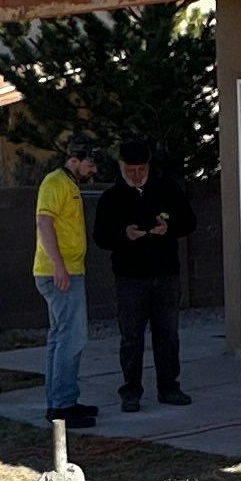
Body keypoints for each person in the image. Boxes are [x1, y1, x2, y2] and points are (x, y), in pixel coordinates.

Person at [91, 134, 191, 410]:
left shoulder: (167, 189)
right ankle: (131, 391)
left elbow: (189, 222)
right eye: (131, 170)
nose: (136, 175)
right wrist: (124, 234)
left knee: (167, 334)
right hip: (130, 276)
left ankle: (169, 387)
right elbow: (100, 237)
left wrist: (168, 228)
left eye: (141, 170)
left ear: (149, 167)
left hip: (165, 273)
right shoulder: (112, 198)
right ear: (122, 167)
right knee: (131, 336)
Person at [33, 134, 99, 430]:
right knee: (72, 338)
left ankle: (60, 402)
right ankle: (63, 406)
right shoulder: (55, 183)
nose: (93, 169)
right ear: (73, 160)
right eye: (89, 163)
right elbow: (44, 223)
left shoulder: (68, 184)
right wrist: (59, 266)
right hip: (60, 272)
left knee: (61, 337)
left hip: (66, 270)